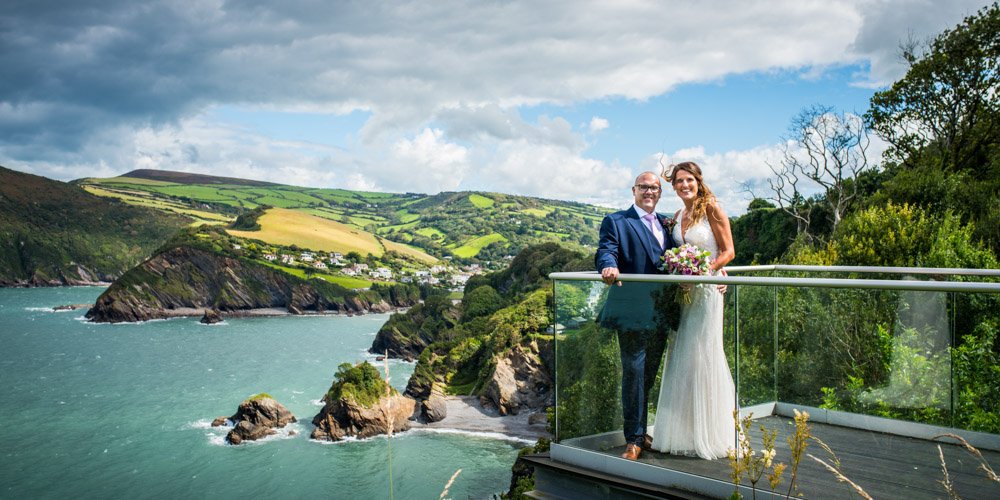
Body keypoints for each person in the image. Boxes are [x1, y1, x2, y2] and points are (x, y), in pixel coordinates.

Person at [650, 161, 737, 460]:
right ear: (673, 186)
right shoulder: (677, 216)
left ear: (698, 182)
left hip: (708, 292)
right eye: (678, 181)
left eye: (689, 180)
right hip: (684, 294)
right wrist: (682, 273)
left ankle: (711, 432)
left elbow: (728, 251)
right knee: (683, 354)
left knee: (705, 353)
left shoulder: (712, 208)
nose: (684, 185)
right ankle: (683, 431)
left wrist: (707, 272)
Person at [595, 171, 681, 461]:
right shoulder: (617, 221)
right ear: (634, 190)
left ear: (659, 193)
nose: (649, 191)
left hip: (661, 313)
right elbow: (607, 251)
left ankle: (641, 433)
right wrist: (608, 267)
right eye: (644, 187)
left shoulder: (667, 224)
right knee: (633, 373)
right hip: (631, 312)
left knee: (648, 375)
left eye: (655, 188)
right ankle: (632, 439)